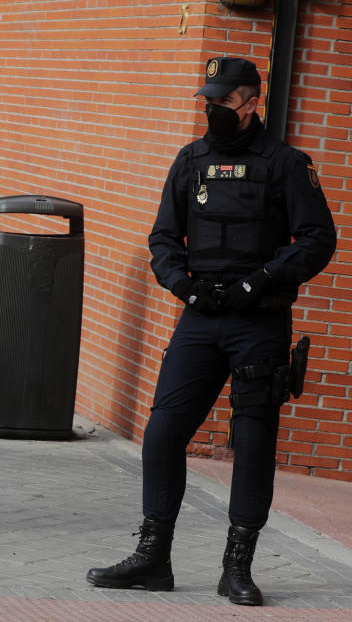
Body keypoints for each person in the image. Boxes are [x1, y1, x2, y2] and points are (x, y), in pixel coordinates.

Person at [85, 57, 336, 606]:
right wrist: (183, 286)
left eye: (224, 101)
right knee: (164, 432)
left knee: (252, 445)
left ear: (252, 103)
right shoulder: (190, 159)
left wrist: (261, 280)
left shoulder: (287, 163)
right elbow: (163, 237)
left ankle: (237, 568)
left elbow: (318, 239)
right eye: (209, 100)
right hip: (201, 317)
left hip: (259, 322)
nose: (212, 110)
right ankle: (153, 558)